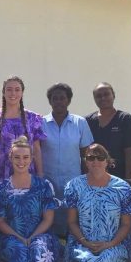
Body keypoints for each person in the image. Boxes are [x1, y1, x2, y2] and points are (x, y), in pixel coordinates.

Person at [40, 82, 93, 237]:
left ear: (69, 100)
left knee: (73, 219)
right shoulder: (41, 123)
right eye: (54, 98)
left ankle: (72, 249)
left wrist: (87, 179)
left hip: (73, 181)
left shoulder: (80, 123)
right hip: (48, 182)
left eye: (62, 98)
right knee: (50, 218)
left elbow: (87, 154)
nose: (58, 102)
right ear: (50, 101)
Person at [0, 76, 45, 190]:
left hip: (28, 178)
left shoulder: (32, 118)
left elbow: (36, 149)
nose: (13, 93)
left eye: (17, 89)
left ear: (22, 93)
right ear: (3, 92)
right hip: (0, 178)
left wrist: (40, 174)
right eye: (9, 89)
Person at [85, 82, 131, 184]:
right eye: (98, 96)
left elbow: (129, 152)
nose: (103, 98)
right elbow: (85, 152)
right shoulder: (88, 121)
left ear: (113, 95)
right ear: (94, 99)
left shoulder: (125, 119)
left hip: (119, 177)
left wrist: (128, 180)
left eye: (106, 94)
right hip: (94, 177)